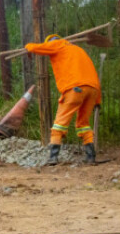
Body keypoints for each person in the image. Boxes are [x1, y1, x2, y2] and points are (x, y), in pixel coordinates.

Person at [25, 34, 102, 165]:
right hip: (93, 90)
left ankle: (53, 157)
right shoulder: (78, 50)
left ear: (51, 42)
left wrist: (28, 47)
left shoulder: (58, 44)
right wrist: (98, 100)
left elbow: (38, 48)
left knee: (60, 123)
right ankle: (91, 157)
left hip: (75, 88)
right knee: (83, 124)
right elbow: (93, 74)